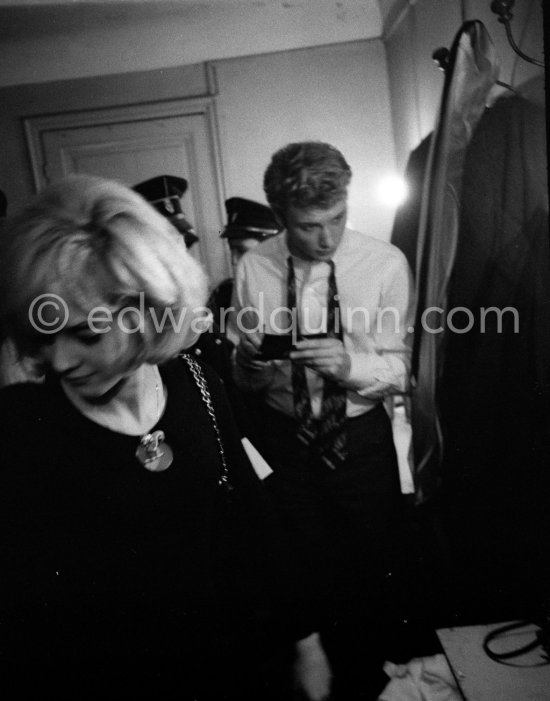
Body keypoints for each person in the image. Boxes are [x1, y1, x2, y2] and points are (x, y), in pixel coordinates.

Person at [0, 174, 292, 698]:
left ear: (147, 310)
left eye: (87, 333)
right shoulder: (20, 431)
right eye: (46, 334)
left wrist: (304, 637)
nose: (60, 361)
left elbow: (250, 514)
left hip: (232, 667)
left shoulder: (195, 379)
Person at [232, 141, 415, 699]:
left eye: (337, 218)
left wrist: (351, 364)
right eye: (310, 226)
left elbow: (405, 368)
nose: (328, 237)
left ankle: (376, 680)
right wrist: (250, 362)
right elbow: (243, 374)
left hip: (358, 440)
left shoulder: (385, 264)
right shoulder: (253, 267)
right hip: (285, 442)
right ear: (283, 218)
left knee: (374, 569)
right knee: (300, 573)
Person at [209, 196, 281, 338]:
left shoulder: (298, 294)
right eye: (232, 250)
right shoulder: (224, 295)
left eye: (242, 251)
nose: (234, 261)